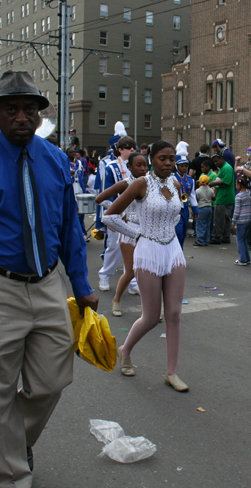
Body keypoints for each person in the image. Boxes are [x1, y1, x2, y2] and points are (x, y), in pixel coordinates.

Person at [0, 70, 98, 487]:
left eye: (30, 109)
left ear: (41, 114)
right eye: (12, 109)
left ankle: (16, 438)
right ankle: (13, 477)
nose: (22, 117)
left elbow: (69, 232)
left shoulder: (57, 160)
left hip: (47, 287)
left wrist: (80, 287)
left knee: (51, 382)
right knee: (0, 392)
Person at [102, 140, 189, 392]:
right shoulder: (140, 184)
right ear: (152, 159)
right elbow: (110, 216)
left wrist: (170, 230)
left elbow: (175, 214)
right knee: (151, 317)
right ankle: (125, 350)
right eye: (163, 158)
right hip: (148, 250)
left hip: (172, 250)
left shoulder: (174, 184)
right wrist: (137, 233)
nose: (169, 163)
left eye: (172, 158)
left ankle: (172, 372)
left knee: (173, 314)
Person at [94, 152, 149, 316]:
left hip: (146, 231)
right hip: (129, 230)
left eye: (145, 165)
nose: (142, 168)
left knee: (147, 271)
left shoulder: (150, 183)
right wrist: (119, 211)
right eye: (138, 165)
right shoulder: (125, 184)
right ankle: (117, 299)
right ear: (129, 167)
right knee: (131, 270)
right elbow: (99, 198)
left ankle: (149, 309)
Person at [98, 135, 139, 294]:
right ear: (120, 150)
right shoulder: (111, 167)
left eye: (133, 147)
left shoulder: (139, 168)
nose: (132, 150)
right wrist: (116, 214)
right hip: (118, 215)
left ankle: (133, 282)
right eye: (129, 147)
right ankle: (105, 275)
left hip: (135, 216)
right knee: (114, 247)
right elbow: (104, 195)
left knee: (135, 249)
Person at [173, 141, 199, 248]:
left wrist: (195, 210)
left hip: (185, 210)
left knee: (183, 233)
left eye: (185, 165)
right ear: (176, 165)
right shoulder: (172, 178)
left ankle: (180, 256)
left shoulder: (190, 180)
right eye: (181, 165)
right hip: (175, 209)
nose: (184, 168)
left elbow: (192, 195)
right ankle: (174, 256)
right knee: (177, 232)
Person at [235, 146, 251, 250]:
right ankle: (249, 241)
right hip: (247, 196)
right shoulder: (248, 164)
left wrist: (243, 170)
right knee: (247, 220)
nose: (247, 156)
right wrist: (237, 163)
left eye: (249, 153)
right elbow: (237, 171)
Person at [209, 153, 235, 245]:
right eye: (214, 162)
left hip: (224, 197)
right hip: (224, 196)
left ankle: (217, 237)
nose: (215, 163)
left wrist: (212, 183)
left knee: (219, 219)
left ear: (221, 159)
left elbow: (226, 182)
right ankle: (225, 236)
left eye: (216, 161)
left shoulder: (227, 168)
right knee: (226, 218)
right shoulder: (223, 168)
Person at [232, 176, 251, 266]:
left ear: (239, 184)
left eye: (236, 184)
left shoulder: (238, 196)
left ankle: (242, 259)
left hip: (241, 220)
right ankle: (246, 258)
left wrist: (233, 221)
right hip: (249, 219)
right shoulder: (248, 194)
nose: (236, 186)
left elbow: (237, 211)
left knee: (240, 240)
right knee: (244, 239)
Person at [194, 175, 214, 246]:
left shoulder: (197, 191)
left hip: (201, 207)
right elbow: (213, 198)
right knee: (207, 224)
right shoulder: (211, 190)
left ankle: (200, 240)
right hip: (209, 208)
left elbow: (196, 200)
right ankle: (206, 240)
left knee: (200, 224)